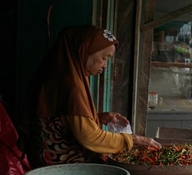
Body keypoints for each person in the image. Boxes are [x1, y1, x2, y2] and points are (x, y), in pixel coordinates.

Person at [24, 25, 161, 167]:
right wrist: (134, 140)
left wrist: (97, 117)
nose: (105, 65)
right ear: (83, 51)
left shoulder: (61, 76)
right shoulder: (71, 85)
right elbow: (91, 138)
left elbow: (64, 118)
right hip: (63, 170)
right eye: (103, 58)